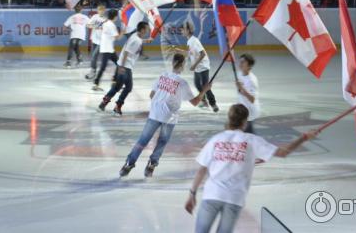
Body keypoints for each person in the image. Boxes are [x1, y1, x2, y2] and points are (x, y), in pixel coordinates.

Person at [185, 104, 318, 233]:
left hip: (212, 195)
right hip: (234, 198)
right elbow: (283, 152)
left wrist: (192, 194)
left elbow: (202, 169)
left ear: (229, 119)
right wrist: (304, 137)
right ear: (245, 122)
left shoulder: (216, 139)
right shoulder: (252, 141)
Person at [120, 53, 212, 178]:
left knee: (142, 140)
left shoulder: (162, 76)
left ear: (173, 62)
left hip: (155, 114)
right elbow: (195, 102)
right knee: (162, 142)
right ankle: (152, 164)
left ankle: (128, 164)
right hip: (169, 118)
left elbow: (152, 95)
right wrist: (204, 90)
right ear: (183, 64)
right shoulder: (182, 83)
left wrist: (159, 104)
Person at [99, 21, 151, 116]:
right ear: (143, 30)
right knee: (126, 87)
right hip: (125, 67)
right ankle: (117, 107)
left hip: (125, 66)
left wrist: (145, 40)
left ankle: (104, 103)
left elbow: (136, 42)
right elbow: (126, 52)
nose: (148, 30)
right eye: (147, 29)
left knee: (119, 87)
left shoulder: (136, 36)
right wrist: (121, 67)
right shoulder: (136, 39)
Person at [184, 21, 218, 112]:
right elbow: (191, 53)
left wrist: (194, 65)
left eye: (183, 29)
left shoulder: (193, 41)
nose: (181, 31)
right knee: (197, 84)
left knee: (205, 86)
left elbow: (202, 54)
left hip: (203, 66)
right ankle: (204, 101)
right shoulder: (189, 41)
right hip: (198, 67)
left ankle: (213, 103)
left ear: (188, 30)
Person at [92, 9, 124, 91]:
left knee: (118, 64)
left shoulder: (106, 23)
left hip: (107, 48)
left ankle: (114, 80)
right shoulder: (111, 25)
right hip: (107, 49)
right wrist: (123, 32)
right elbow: (118, 38)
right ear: (115, 16)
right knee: (104, 67)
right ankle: (96, 84)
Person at [235, 54, 260, 134]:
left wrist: (242, 88)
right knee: (245, 134)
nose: (240, 64)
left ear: (249, 66)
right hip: (243, 110)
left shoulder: (252, 80)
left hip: (250, 111)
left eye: (243, 62)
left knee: (248, 134)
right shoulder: (239, 74)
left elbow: (252, 99)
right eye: (240, 61)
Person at [85, 4, 107, 80]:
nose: (101, 11)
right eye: (99, 10)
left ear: (104, 10)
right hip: (94, 39)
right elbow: (88, 25)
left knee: (94, 55)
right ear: (98, 10)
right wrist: (94, 26)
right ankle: (93, 71)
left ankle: (93, 71)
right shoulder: (95, 17)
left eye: (102, 10)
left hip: (101, 41)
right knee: (94, 56)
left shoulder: (105, 19)